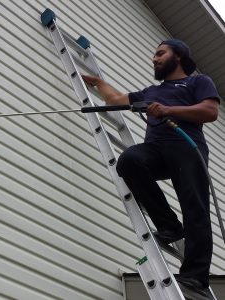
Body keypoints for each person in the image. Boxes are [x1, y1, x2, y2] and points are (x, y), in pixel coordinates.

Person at [82, 39, 220, 300]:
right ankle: (170, 227)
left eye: (160, 53)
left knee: (195, 208)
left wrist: (168, 110)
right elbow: (115, 99)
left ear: (177, 56)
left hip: (186, 147)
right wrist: (98, 83)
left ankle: (195, 276)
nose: (154, 59)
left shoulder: (196, 82)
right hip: (156, 148)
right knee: (129, 161)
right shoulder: (150, 92)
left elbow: (210, 110)